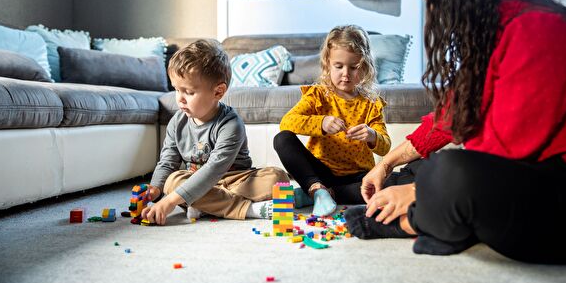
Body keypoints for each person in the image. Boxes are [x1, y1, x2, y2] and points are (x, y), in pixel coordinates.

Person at [344, 0, 566, 264]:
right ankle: (444, 220)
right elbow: (449, 118)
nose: (433, 15)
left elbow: (504, 150)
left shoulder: (540, 29)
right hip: (530, 181)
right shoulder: (493, 33)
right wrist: (385, 165)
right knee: (427, 169)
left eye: (432, 1)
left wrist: (418, 194)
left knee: (448, 174)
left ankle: (415, 220)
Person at [141, 39, 289, 225]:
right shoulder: (176, 122)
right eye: (177, 89)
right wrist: (155, 188)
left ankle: (206, 205)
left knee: (277, 177)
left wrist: (170, 201)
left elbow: (214, 169)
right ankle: (249, 209)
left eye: (188, 92)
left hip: (235, 180)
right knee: (172, 181)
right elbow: (168, 160)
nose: (180, 99)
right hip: (196, 180)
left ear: (218, 92)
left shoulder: (231, 123)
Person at [273, 25, 391, 216]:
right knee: (282, 139)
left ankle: (318, 194)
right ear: (328, 63)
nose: (346, 73)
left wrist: (372, 135)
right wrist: (321, 123)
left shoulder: (371, 103)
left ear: (365, 66)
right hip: (320, 173)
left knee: (381, 187)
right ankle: (317, 189)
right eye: (339, 66)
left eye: (354, 67)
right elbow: (287, 122)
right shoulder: (318, 95)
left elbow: (385, 147)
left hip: (357, 177)